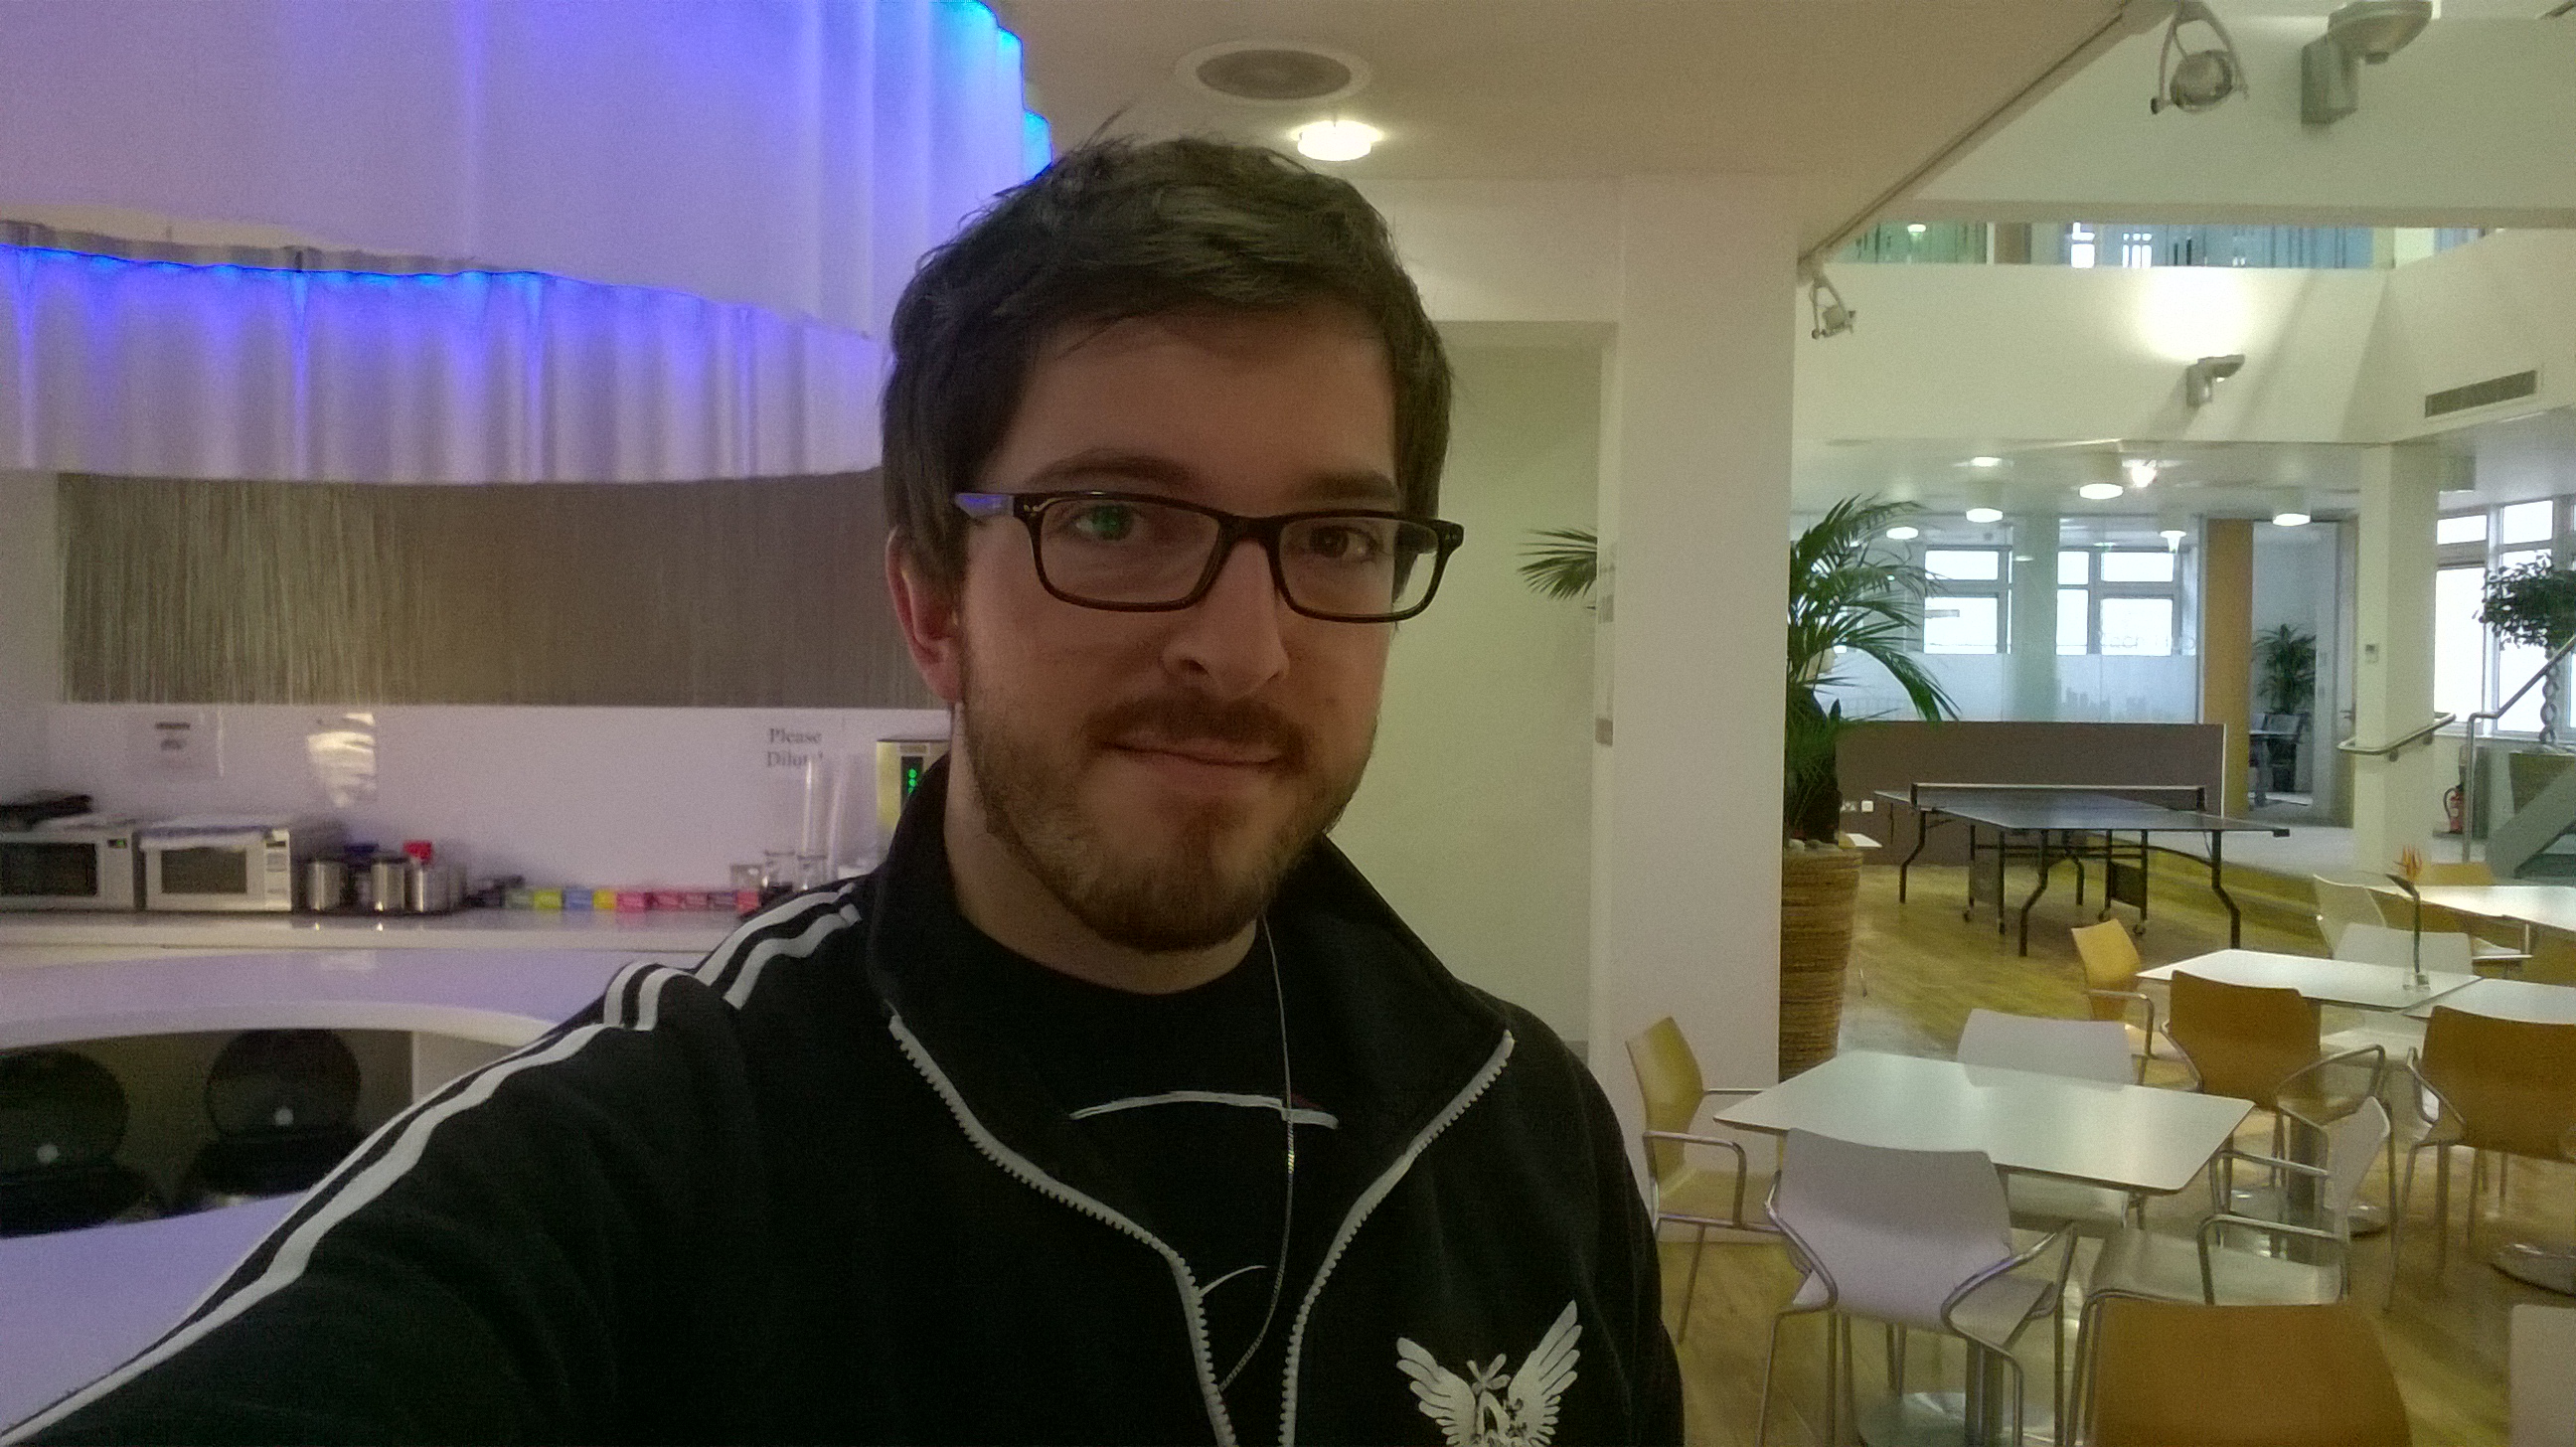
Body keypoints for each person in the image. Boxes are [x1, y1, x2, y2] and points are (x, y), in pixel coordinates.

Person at [8, 137, 1682, 1447]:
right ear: (931, 603)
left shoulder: (1525, 1129)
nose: (1243, 651)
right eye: (1113, 519)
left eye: (1336, 537)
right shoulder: (644, 1164)